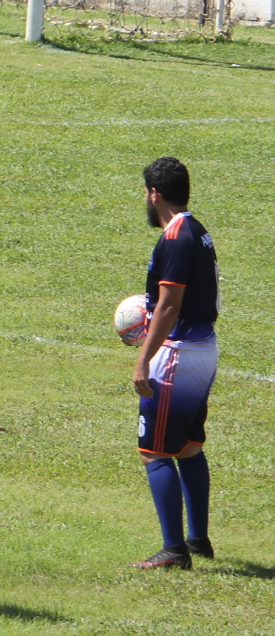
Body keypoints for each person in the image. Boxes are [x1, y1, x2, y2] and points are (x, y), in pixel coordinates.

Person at [129, 156, 221, 570]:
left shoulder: (177, 237)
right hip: (203, 350)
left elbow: (168, 306)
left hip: (177, 356)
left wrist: (143, 358)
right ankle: (198, 538)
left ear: (155, 194)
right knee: (187, 446)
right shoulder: (197, 230)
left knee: (154, 452)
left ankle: (174, 549)